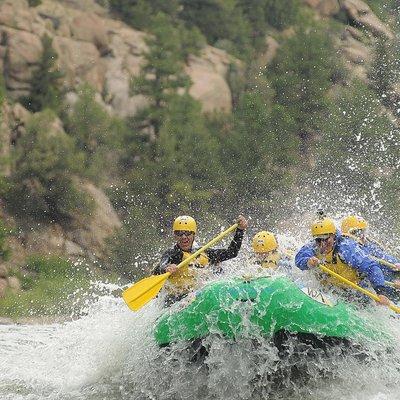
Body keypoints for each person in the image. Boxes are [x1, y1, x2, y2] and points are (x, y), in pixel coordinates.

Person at [295, 217, 392, 306]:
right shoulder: (314, 245)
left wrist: (381, 293)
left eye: (326, 239)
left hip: (356, 291)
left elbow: (371, 267)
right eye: (319, 240)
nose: (323, 244)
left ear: (333, 235)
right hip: (331, 289)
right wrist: (307, 262)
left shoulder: (346, 248)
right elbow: (299, 259)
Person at [154, 215, 248, 306]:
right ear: (175, 236)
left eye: (187, 233)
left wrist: (240, 230)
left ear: (193, 234)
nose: (183, 237)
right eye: (179, 233)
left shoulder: (204, 253)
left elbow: (231, 253)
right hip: (174, 300)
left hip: (196, 297)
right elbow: (161, 266)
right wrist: (167, 268)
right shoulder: (173, 253)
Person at [341, 215, 400, 299]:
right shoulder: (345, 249)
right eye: (357, 233)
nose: (361, 236)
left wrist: (397, 269)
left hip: (386, 288)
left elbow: (387, 259)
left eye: (363, 232)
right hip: (363, 290)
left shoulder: (369, 246)